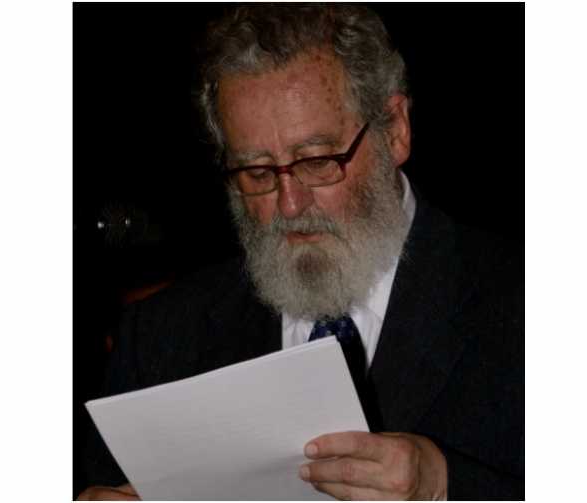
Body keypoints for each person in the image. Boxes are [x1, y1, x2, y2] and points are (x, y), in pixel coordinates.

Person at [78, 4, 524, 500]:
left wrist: (443, 486)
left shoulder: (520, 302)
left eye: (317, 161)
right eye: (257, 172)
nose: (289, 205)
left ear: (395, 129)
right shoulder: (159, 340)